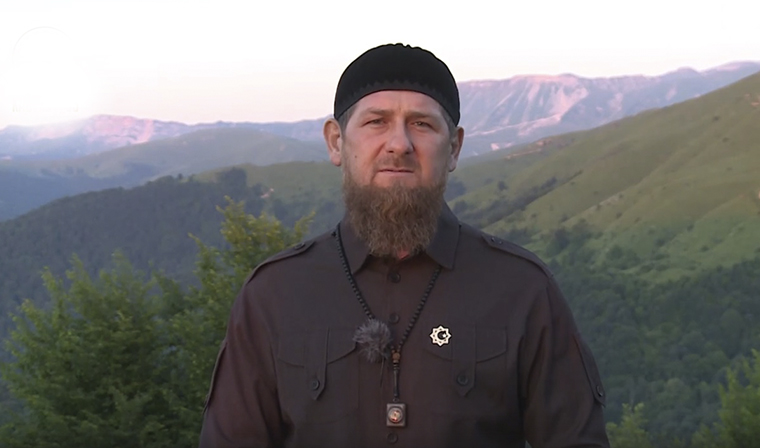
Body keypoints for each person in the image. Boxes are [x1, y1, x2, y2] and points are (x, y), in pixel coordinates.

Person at [199, 43, 610, 448]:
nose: (399, 144)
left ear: (454, 148)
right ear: (336, 142)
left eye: (422, 124)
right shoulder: (274, 294)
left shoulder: (522, 289)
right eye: (376, 122)